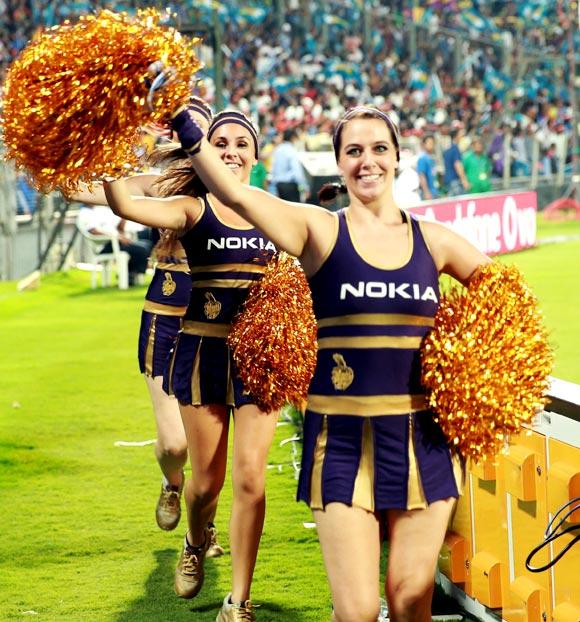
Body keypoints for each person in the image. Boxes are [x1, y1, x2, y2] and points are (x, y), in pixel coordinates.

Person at [168, 104, 491, 622]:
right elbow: (235, 194)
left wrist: (474, 371)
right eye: (354, 151)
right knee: (359, 611)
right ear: (339, 164)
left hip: (423, 442)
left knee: (412, 601)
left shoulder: (435, 241)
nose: (368, 161)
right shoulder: (318, 230)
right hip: (341, 444)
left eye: (379, 148)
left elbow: (504, 297)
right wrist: (184, 126)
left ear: (398, 158)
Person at [103, 110, 279, 622]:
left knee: (251, 480)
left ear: (255, 153)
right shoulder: (191, 208)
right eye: (219, 141)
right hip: (202, 355)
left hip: (257, 361)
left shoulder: (272, 209)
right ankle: (195, 538)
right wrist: (112, 159)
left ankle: (238, 601)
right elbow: (123, 204)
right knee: (207, 483)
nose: (230, 150)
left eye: (241, 142)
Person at [71, 98, 225, 552]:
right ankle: (172, 483)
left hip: (215, 319)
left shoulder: (233, 190)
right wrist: (88, 146)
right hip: (166, 313)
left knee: (207, 449)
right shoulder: (162, 183)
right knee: (176, 444)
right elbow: (82, 190)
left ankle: (203, 531)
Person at [75, 203, 153, 285]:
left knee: (146, 244)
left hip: (116, 242)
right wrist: (117, 237)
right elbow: (93, 231)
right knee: (141, 250)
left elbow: (119, 227)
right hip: (105, 245)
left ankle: (130, 274)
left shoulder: (100, 210)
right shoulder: (84, 213)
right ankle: (131, 274)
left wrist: (124, 216)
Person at [269, 127, 309, 201]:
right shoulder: (291, 150)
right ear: (292, 138)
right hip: (289, 186)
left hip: (279, 186)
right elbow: (297, 172)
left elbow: (273, 169)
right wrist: (305, 187)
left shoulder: (278, 149)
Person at [443, 129, 469, 196]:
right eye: (461, 135)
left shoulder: (447, 150)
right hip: (455, 181)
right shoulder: (455, 149)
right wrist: (464, 180)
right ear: (456, 136)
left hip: (448, 180)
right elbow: (458, 164)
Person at [416, 135, 439, 201]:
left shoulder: (431, 158)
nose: (432, 145)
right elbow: (421, 175)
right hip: (429, 193)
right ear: (424, 144)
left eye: (433, 143)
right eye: (430, 143)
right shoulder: (422, 158)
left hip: (435, 191)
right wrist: (426, 192)